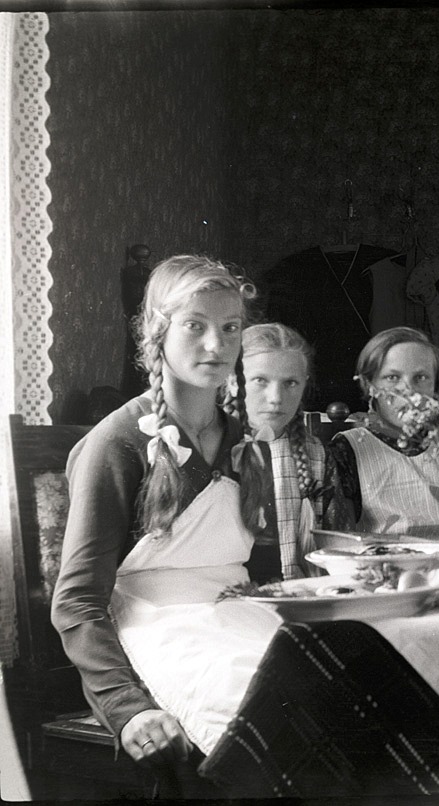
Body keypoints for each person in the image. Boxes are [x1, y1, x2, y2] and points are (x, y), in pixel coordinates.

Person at [50, 255, 279, 765]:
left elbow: (264, 571)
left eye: (230, 327)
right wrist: (126, 708)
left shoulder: (248, 443)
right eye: (195, 326)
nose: (216, 346)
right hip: (156, 632)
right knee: (258, 722)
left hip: (240, 620)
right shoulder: (116, 443)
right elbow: (77, 602)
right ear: (158, 331)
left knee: (326, 686)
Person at [323, 326, 439, 539]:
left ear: (436, 386)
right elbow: (340, 539)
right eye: (392, 377)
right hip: (384, 565)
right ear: (369, 384)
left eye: (421, 377)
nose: (408, 390)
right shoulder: (349, 448)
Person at [241, 323, 327, 580]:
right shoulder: (216, 447)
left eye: (290, 383)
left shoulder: (315, 455)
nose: (276, 397)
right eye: (260, 381)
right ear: (233, 380)